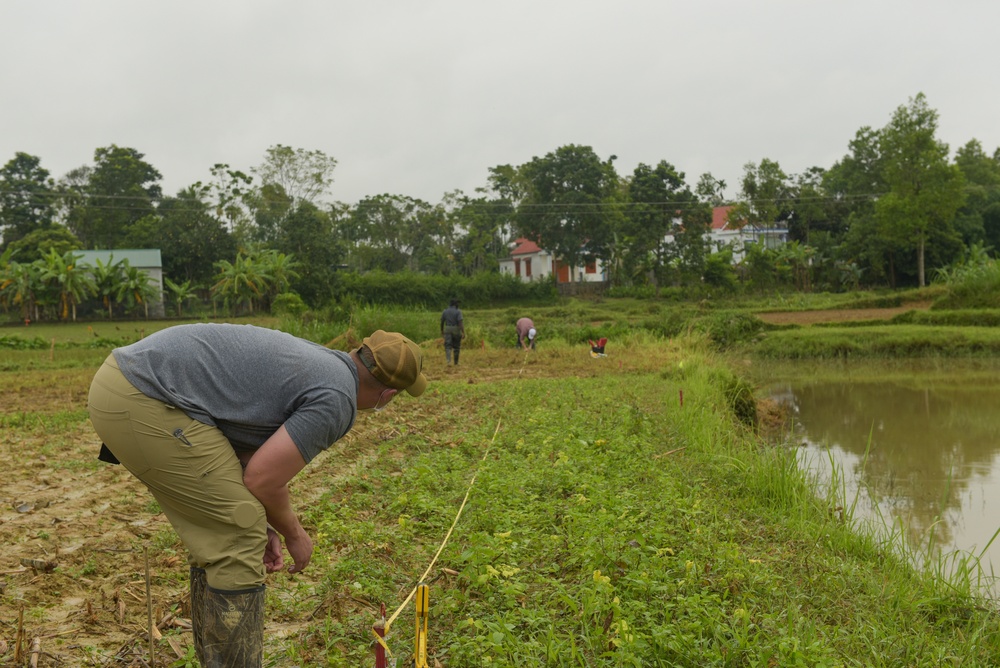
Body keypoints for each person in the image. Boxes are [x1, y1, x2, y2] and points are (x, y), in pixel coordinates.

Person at [86, 323, 427, 667]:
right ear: (388, 395)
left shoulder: (325, 363)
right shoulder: (337, 398)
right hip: (144, 393)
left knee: (236, 522)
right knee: (237, 535)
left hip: (126, 378)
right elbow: (263, 478)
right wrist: (295, 535)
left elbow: (248, 463)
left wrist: (259, 516)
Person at [440, 298, 465, 365]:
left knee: (448, 346)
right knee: (456, 346)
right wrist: (463, 332)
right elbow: (460, 322)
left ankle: (449, 361)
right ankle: (456, 362)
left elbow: (442, 322)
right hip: (456, 329)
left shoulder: (445, 311)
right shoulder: (458, 311)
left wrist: (442, 330)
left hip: (447, 329)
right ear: (455, 304)